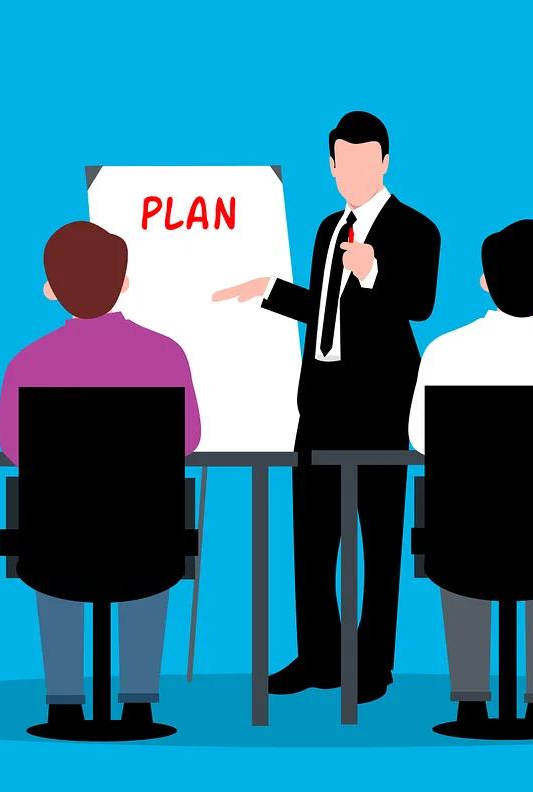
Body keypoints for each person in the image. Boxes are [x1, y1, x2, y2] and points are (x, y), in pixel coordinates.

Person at [213, 111, 441, 704]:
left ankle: (372, 666)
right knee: (314, 540)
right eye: (345, 161)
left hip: (381, 407)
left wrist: (373, 273)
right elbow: (326, 312)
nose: (355, 172)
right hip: (319, 406)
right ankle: (318, 656)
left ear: (386, 162)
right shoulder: (325, 228)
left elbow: (420, 305)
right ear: (332, 165)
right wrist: (270, 291)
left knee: (378, 540)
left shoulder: (417, 228)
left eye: (368, 161)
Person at [407, 219, 533, 734]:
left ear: (484, 280)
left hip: (461, 539)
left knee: (457, 536)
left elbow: (419, 438)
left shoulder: (443, 354)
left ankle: (471, 703)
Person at [0, 220, 201, 734]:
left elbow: (14, 448)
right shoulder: (166, 355)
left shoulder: (27, 363)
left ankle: (63, 703)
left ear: (50, 290)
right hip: (146, 541)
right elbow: (188, 439)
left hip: (56, 542)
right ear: (124, 282)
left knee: (50, 533)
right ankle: (138, 703)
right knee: (151, 535)